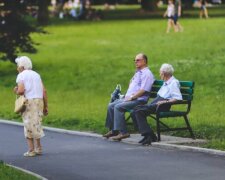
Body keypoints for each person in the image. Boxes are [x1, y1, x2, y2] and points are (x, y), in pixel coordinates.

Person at [103, 53, 155, 141]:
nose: (135, 62)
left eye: (138, 60)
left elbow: (143, 90)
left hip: (139, 100)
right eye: (134, 60)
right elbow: (133, 84)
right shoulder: (138, 72)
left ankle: (124, 132)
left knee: (118, 107)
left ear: (144, 61)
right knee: (111, 105)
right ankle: (114, 130)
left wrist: (132, 97)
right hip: (130, 98)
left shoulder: (147, 74)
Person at [131, 64, 182, 145]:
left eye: (160, 73)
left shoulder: (173, 83)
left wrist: (164, 102)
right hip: (157, 102)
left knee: (139, 111)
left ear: (164, 73)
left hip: (162, 105)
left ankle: (149, 136)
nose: (159, 75)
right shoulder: (166, 82)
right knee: (135, 110)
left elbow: (177, 98)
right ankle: (149, 135)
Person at [14, 56, 48, 157]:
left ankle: (31, 150)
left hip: (29, 102)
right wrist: (46, 106)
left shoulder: (21, 75)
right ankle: (39, 148)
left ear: (21, 66)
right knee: (36, 123)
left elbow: (20, 91)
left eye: (18, 66)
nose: (17, 68)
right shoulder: (37, 74)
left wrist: (15, 90)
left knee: (28, 125)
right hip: (39, 101)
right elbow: (44, 91)